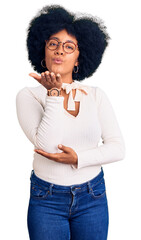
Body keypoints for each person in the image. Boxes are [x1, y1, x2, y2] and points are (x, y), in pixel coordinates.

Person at [16, 5, 125, 240]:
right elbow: (47, 145)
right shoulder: (28, 96)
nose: (60, 51)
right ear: (42, 53)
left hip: (92, 197)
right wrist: (53, 94)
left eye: (69, 46)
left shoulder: (96, 95)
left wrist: (79, 158)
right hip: (47, 200)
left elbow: (117, 148)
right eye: (53, 44)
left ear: (78, 58)